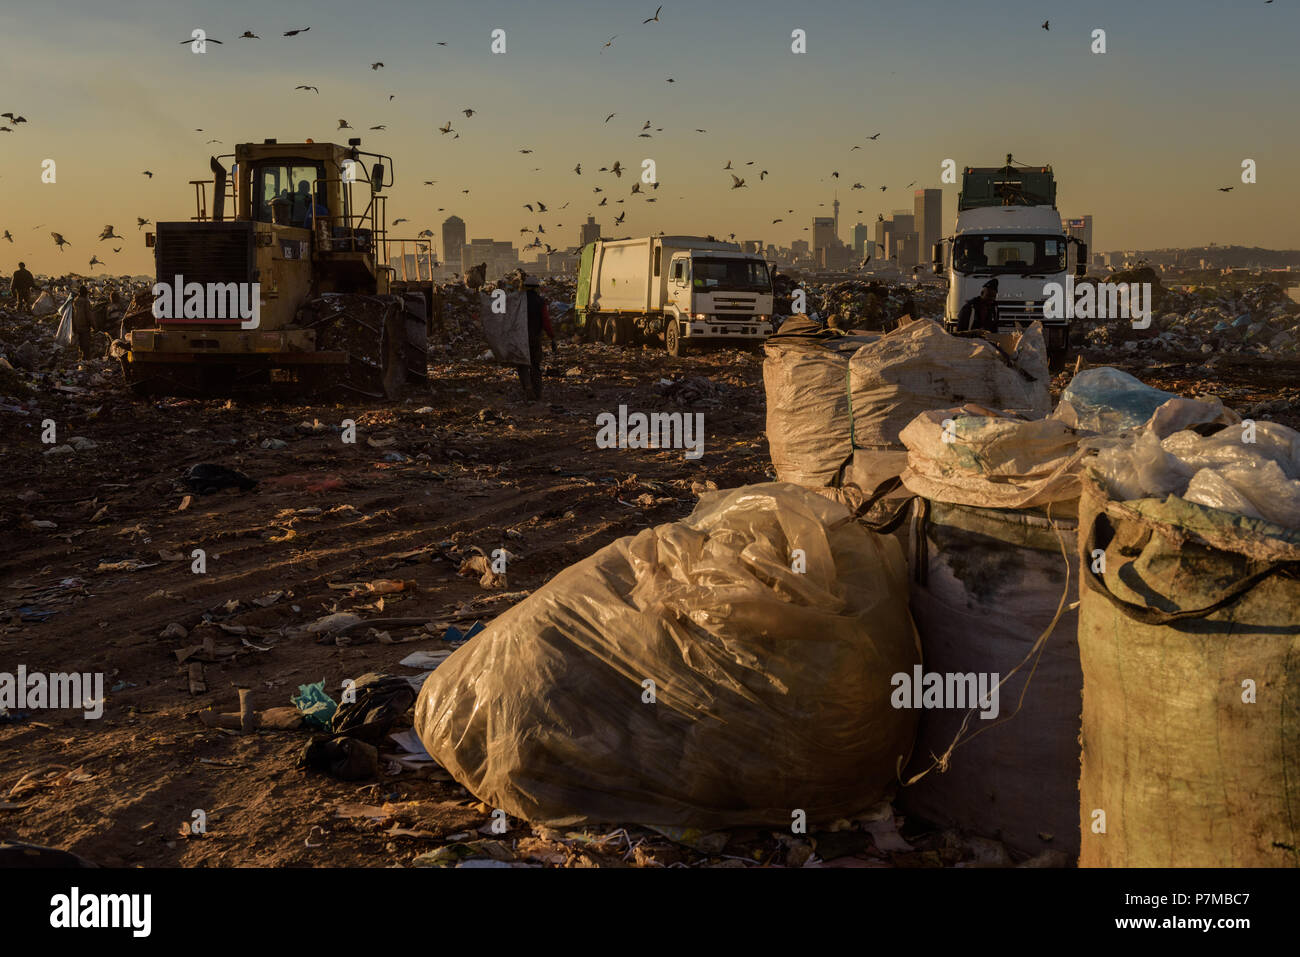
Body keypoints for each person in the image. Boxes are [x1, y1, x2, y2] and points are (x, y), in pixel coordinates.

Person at [518, 275, 557, 400]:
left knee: (522, 365)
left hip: (521, 338)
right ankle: (537, 392)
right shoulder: (540, 302)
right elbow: (546, 321)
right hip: (535, 337)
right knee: (535, 365)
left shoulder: (519, 301)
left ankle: (527, 389)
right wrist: (552, 336)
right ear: (536, 288)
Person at [71, 286, 95, 359]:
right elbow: (89, 315)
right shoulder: (85, 302)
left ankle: (81, 360)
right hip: (85, 327)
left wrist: (73, 327)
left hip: (77, 326)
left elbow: (72, 314)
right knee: (86, 346)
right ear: (85, 294)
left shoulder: (75, 301)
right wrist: (94, 325)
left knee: (80, 344)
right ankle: (85, 360)